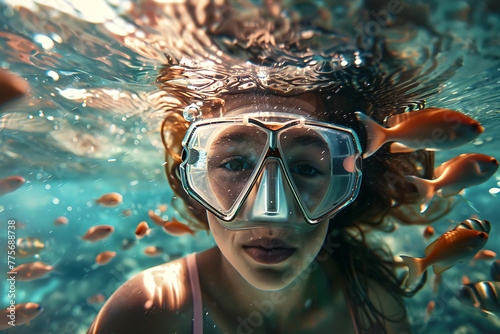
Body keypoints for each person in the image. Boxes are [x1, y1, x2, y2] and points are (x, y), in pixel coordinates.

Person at [88, 76, 436, 333]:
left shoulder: (374, 304)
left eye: (305, 169)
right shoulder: (143, 313)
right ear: (197, 178)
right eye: (235, 165)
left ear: (343, 186)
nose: (272, 210)